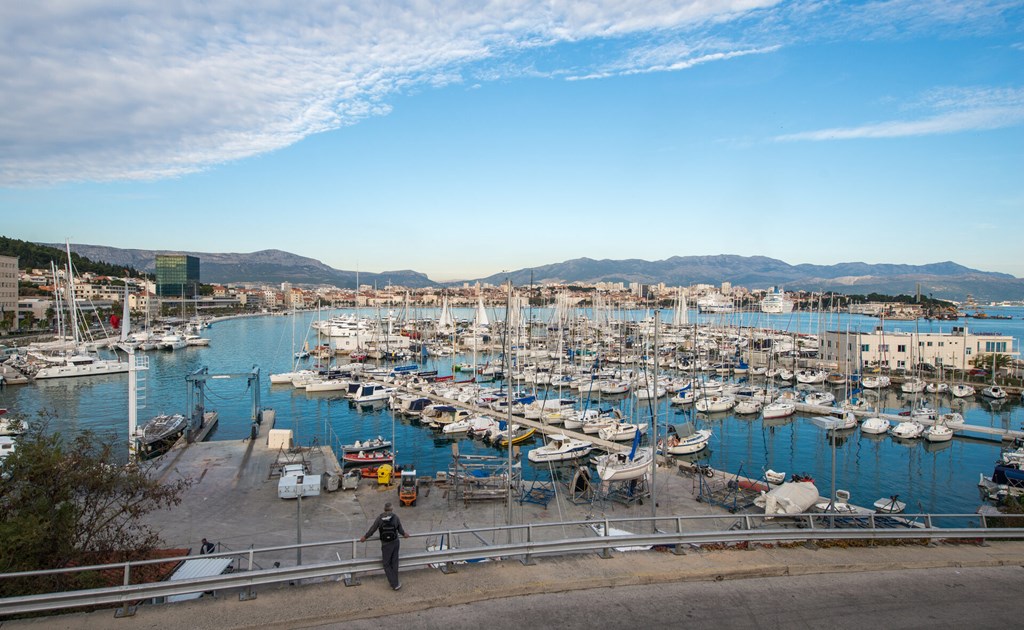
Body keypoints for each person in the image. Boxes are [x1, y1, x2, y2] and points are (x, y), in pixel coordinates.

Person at [359, 502, 409, 590]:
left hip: (386, 544)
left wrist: (365, 537)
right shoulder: (395, 517)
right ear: (392, 509)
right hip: (395, 542)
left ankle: (394, 584)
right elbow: (400, 530)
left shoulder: (379, 518)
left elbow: (372, 529)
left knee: (386, 564)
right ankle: (395, 582)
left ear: (384, 509)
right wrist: (405, 534)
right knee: (394, 562)